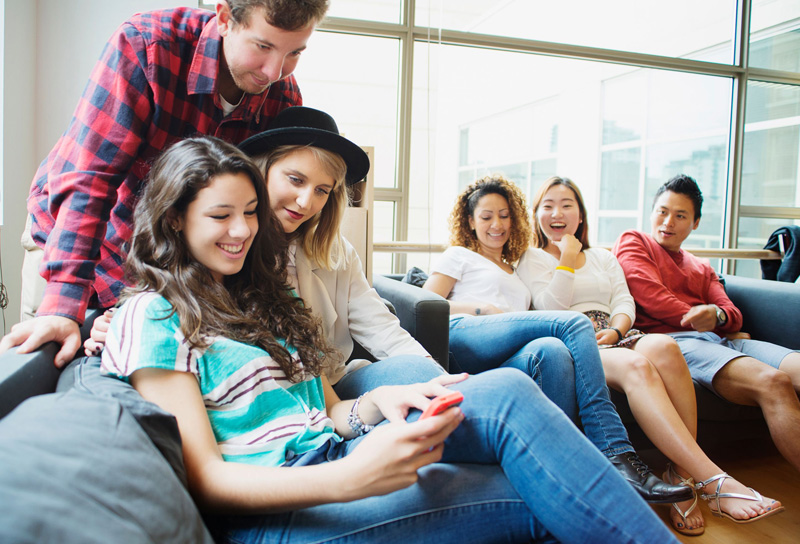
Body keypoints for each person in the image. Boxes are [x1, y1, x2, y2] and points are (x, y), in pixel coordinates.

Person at [99, 134, 678, 544]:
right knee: (549, 496)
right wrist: (353, 477)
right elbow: (204, 479)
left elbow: (329, 411)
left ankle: (621, 465)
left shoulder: (262, 296)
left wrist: (378, 404)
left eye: (249, 213)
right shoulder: (152, 315)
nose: (244, 229)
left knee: (512, 401)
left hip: (331, 452)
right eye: (221, 215)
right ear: (175, 218)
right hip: (288, 508)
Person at [0, 0, 329, 368]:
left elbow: (251, 211)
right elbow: (89, 179)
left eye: (294, 52)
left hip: (170, 269)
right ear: (225, 17)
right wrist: (64, 305)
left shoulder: (282, 94)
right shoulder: (148, 47)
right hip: (77, 243)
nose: (274, 71)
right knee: (52, 362)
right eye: (262, 47)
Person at [86, 107, 444, 399]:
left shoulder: (335, 250)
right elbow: (171, 299)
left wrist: (442, 378)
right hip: (272, 394)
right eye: (296, 180)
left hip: (332, 385)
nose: (307, 202)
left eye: (322, 190)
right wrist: (114, 323)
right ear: (264, 169)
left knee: (423, 376)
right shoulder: (227, 246)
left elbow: (381, 327)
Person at [520, 176, 782, 534]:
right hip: (575, 338)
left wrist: (616, 329)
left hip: (617, 331)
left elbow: (623, 300)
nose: (557, 213)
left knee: (665, 346)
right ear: (536, 215)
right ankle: (713, 481)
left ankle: (679, 472)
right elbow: (549, 306)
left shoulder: (601, 256)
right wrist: (566, 258)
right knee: (638, 367)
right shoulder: (531, 258)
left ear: (580, 216)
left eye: (567, 205)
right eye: (547, 206)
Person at [422, 175, 692, 504]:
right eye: (487, 216)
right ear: (469, 221)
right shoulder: (459, 255)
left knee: (553, 351)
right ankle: (616, 454)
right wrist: (481, 308)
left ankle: (563, 471)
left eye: (505, 215)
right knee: (575, 325)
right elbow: (426, 306)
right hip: (469, 334)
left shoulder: (513, 265)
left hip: (507, 346)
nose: (497, 224)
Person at [613, 173, 800, 476]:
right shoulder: (635, 241)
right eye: (662, 211)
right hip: (676, 342)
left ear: (695, 223)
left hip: (723, 339)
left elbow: (731, 312)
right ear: (651, 213)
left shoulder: (701, 265)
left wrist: (720, 318)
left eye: (680, 215)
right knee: (774, 383)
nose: (668, 222)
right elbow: (650, 296)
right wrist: (708, 319)